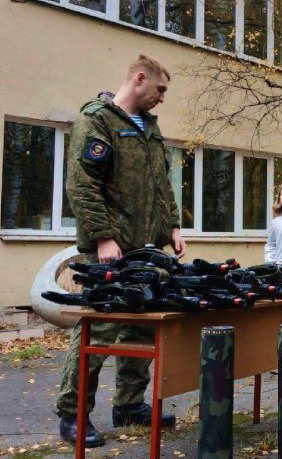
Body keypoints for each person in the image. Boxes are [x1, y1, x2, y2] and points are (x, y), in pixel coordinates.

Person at [57, 55, 185, 447]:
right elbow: (82, 185)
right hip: (110, 252)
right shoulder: (98, 120)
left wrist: (173, 227)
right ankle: (73, 414)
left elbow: (162, 184)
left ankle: (130, 406)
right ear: (140, 79)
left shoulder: (150, 129)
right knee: (100, 329)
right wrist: (102, 237)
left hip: (147, 249)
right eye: (160, 89)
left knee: (142, 330)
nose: (162, 98)